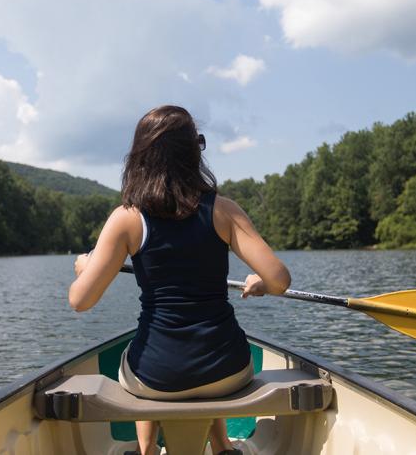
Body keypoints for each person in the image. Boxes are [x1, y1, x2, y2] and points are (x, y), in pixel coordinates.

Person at [69, 105, 291, 455]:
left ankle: (147, 451)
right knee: (198, 369)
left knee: (137, 355)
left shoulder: (126, 218)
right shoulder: (224, 210)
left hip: (158, 377)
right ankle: (221, 447)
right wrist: (261, 282)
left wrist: (87, 266)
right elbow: (279, 280)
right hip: (229, 370)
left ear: (140, 156)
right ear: (193, 153)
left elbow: (80, 301)